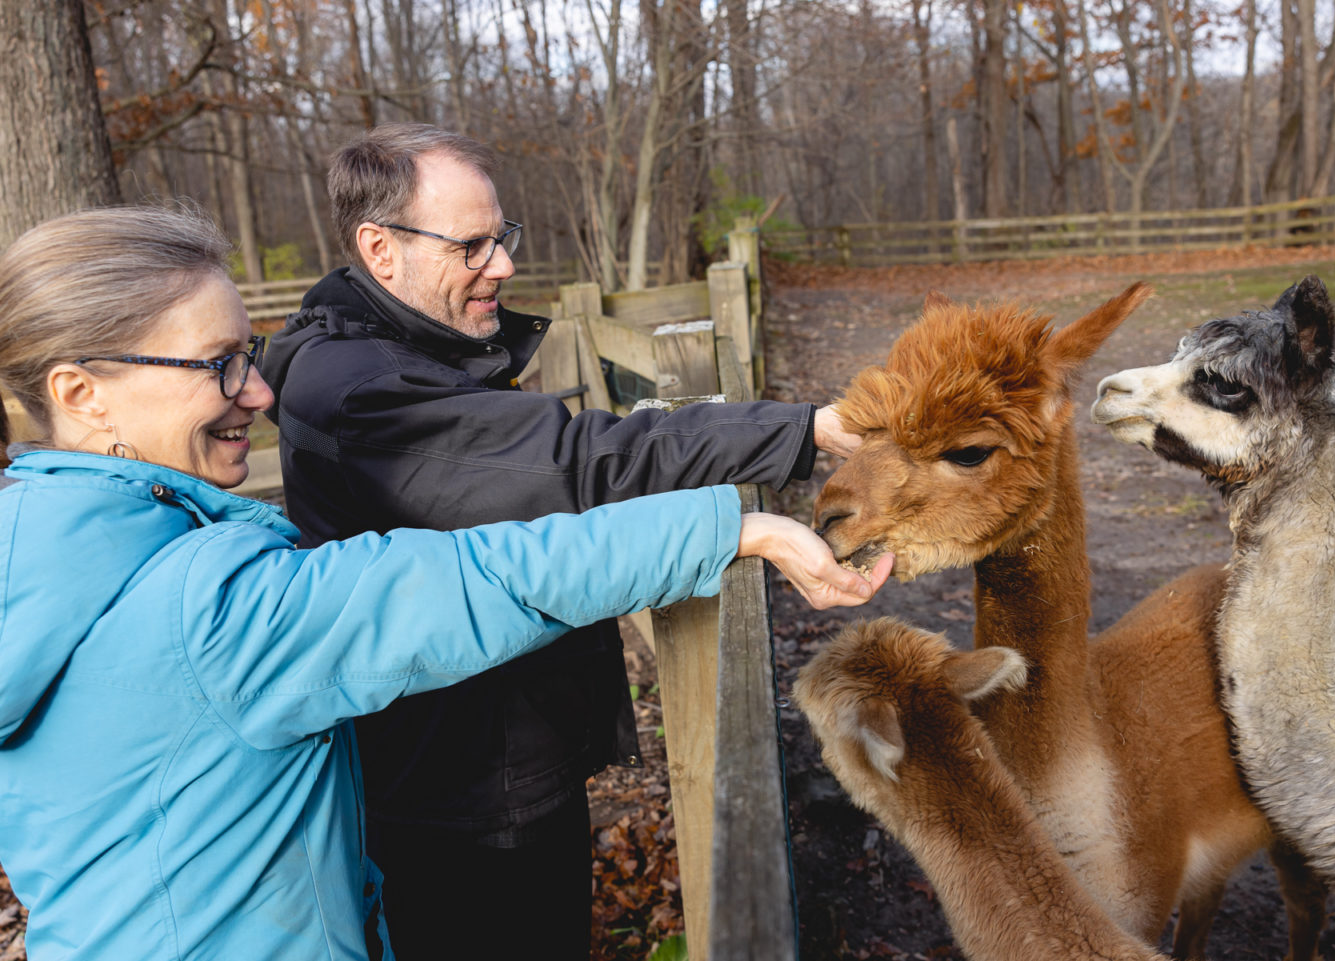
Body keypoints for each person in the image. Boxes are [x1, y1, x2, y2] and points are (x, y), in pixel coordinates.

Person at [0, 205, 890, 961]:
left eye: (250, 352)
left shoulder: (37, 556)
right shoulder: (200, 605)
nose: (258, 393)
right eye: (218, 363)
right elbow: (472, 580)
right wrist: (732, 525)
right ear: (82, 392)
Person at [261, 124, 871, 958]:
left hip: (486, 758)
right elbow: (577, 463)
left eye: (502, 238)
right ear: (380, 247)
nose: (503, 266)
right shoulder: (366, 390)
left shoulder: (397, 346)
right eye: (472, 244)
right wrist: (804, 430)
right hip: (467, 795)